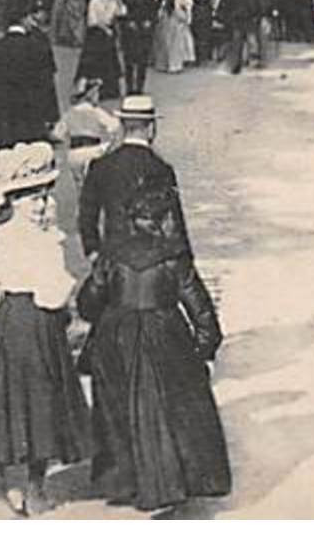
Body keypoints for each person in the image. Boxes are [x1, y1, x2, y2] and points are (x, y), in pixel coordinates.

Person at [0, 144, 91, 516]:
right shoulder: (44, 239)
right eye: (35, 197)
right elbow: (54, 292)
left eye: (46, 195)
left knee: (1, 403)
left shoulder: (0, 231)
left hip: (5, 322)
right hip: (37, 324)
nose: (44, 204)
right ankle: (34, 488)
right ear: (15, 199)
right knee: (41, 405)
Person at [77, 177, 229, 511]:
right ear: (163, 220)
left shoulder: (111, 256)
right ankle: (171, 481)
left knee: (119, 408)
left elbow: (87, 304)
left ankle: (122, 481)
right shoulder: (174, 258)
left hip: (114, 338)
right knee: (169, 406)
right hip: (164, 332)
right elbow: (201, 311)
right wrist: (203, 352)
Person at [78, 95, 187, 259]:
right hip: (153, 257)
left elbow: (86, 215)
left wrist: (93, 252)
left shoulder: (100, 166)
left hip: (114, 257)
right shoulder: (162, 169)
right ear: (151, 128)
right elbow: (175, 223)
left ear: (122, 126)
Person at [0, 0, 60, 150]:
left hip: (3, 122)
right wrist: (51, 116)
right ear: (24, 20)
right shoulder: (36, 47)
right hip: (31, 120)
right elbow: (46, 83)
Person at [117, 0, 157, 95]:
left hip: (144, 35)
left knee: (142, 62)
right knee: (129, 61)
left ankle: (140, 87)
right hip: (129, 34)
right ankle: (129, 87)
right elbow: (120, 15)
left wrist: (149, 22)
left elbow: (154, 15)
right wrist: (129, 22)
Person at [152, 0, 195, 74]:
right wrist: (188, 17)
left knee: (163, 41)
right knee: (176, 42)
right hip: (177, 13)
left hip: (164, 13)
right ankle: (174, 65)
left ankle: (162, 64)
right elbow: (187, 3)